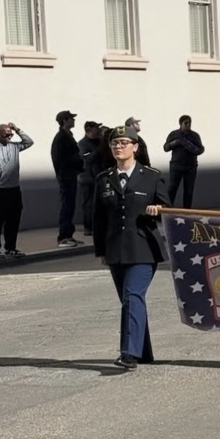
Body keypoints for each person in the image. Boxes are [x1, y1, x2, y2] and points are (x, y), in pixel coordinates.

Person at [92, 125, 170, 370]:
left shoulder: (151, 176)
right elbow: (98, 218)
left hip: (144, 247)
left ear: (135, 147)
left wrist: (159, 210)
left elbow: (169, 209)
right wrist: (100, 251)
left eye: (124, 142)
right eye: (115, 143)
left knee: (132, 296)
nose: (118, 147)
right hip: (115, 249)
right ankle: (143, 351)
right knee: (129, 300)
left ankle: (128, 353)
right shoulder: (104, 179)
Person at [0, 121, 34, 258]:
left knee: (13, 220)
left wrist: (17, 129)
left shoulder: (14, 146)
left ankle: (11, 247)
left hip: (14, 189)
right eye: (6, 135)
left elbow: (29, 142)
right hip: (0, 190)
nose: (9, 138)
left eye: (10, 135)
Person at [51, 110, 84, 248]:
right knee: (67, 205)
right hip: (66, 176)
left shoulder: (67, 135)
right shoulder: (61, 137)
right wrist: (79, 160)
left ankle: (69, 235)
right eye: (71, 118)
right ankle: (63, 237)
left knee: (70, 205)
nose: (74, 121)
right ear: (65, 120)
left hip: (70, 174)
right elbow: (60, 158)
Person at [163, 115, 204, 208]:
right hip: (176, 166)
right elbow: (165, 148)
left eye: (189, 123)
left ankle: (186, 212)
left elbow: (200, 150)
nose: (188, 125)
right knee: (172, 189)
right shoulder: (174, 134)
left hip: (190, 167)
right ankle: (168, 211)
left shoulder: (194, 136)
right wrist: (174, 143)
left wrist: (190, 146)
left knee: (188, 191)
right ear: (181, 124)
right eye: (186, 123)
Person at [77, 120, 103, 236]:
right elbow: (87, 159)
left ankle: (99, 226)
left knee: (101, 204)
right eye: (96, 128)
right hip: (87, 179)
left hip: (99, 177)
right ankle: (88, 227)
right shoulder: (82, 144)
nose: (98, 130)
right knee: (88, 204)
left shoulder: (99, 142)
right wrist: (99, 149)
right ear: (89, 129)